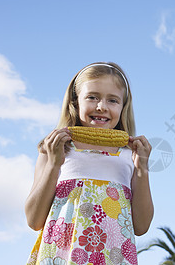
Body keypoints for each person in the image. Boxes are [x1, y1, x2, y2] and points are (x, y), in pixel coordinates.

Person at [25, 62, 153, 265]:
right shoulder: (55, 149)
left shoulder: (130, 155)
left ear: (123, 107)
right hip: (61, 255)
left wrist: (142, 169)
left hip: (113, 256)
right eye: (92, 97)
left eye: (113, 100)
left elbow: (142, 225)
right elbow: (33, 220)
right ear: (75, 102)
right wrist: (53, 165)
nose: (101, 106)